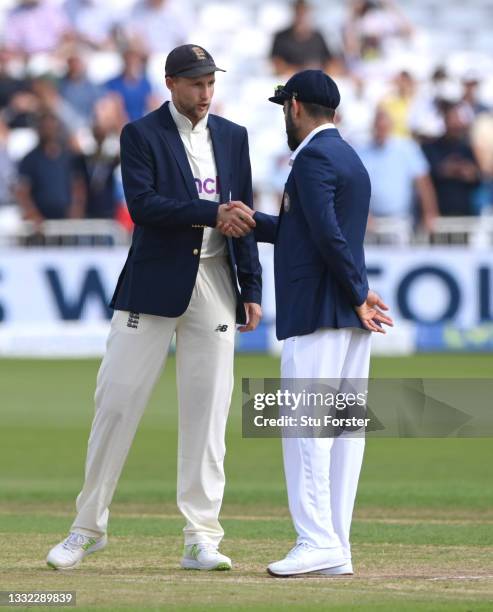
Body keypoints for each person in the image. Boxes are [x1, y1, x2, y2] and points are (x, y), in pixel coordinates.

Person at [46, 44, 262, 573]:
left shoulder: (233, 137)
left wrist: (251, 287)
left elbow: (246, 215)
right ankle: (87, 528)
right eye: (195, 84)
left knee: (208, 412)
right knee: (116, 403)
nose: (205, 93)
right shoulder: (140, 134)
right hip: (152, 282)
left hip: (215, 281)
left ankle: (201, 536)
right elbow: (143, 206)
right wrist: (212, 212)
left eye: (211, 83)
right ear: (170, 83)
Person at [223, 70, 392, 577]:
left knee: (304, 429)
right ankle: (335, 543)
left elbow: (325, 236)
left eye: (283, 108)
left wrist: (359, 291)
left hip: (319, 310)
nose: (283, 118)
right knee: (342, 434)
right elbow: (312, 231)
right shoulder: (349, 157)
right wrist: (255, 220)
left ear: (295, 106)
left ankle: (316, 539)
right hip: (343, 311)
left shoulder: (312, 158)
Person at [358, 108, 438, 232]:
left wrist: (429, 213)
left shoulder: (407, 148)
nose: (381, 130)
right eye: (378, 127)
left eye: (384, 127)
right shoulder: (362, 151)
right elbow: (356, 187)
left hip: (401, 221)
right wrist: (363, 213)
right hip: (370, 223)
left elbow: (423, 183)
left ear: (390, 126)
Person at [16, 112, 86, 224]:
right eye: (45, 126)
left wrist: (75, 215)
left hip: (67, 224)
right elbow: (23, 192)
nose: (49, 130)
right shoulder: (30, 159)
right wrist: (34, 216)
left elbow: (78, 187)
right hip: (40, 227)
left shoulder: (70, 158)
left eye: (52, 126)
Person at [422, 102, 481, 216]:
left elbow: (476, 177)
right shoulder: (432, 147)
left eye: (457, 119)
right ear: (445, 121)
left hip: (464, 212)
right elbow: (432, 173)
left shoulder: (466, 148)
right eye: (452, 119)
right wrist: (453, 169)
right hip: (439, 213)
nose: (455, 123)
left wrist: (469, 173)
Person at [270, 0, 332, 76]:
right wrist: (300, 70)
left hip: (315, 82)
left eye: (304, 13)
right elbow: (276, 63)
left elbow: (330, 63)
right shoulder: (281, 37)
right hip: (288, 82)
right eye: (299, 13)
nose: (301, 17)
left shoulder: (318, 37)